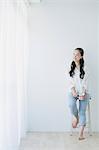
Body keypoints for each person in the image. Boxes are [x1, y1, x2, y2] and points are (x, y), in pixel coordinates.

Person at [68, 48, 89, 140]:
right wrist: (73, 91)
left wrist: (83, 93)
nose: (74, 56)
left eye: (76, 54)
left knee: (82, 112)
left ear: (81, 56)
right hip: (73, 91)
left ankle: (81, 134)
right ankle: (76, 118)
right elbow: (69, 81)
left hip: (84, 92)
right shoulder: (70, 67)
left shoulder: (86, 68)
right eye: (73, 54)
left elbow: (85, 83)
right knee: (71, 104)